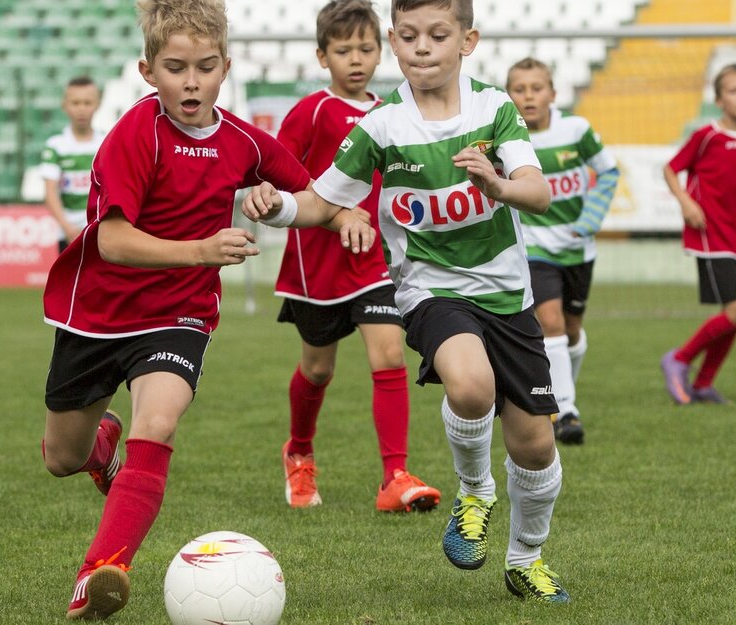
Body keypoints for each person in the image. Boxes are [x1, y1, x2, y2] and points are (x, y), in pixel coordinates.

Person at [39, 0, 373, 619]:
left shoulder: (243, 140)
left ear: (226, 68)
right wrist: (200, 249)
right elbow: (111, 241)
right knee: (61, 457)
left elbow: (310, 192)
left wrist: (337, 211)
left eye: (205, 67)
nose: (190, 82)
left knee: (159, 422)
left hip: (180, 312)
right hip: (98, 313)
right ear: (148, 72)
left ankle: (101, 571)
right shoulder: (136, 134)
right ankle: (102, 443)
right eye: (175, 68)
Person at [244, 0, 570, 604]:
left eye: (438, 35)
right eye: (410, 35)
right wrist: (278, 208)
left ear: (467, 41)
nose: (423, 47)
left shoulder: (494, 107)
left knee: (535, 444)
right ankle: (475, 493)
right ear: (394, 41)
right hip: (430, 290)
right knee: (470, 384)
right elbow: (320, 201)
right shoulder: (382, 125)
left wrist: (498, 185)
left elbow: (539, 192)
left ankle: (526, 558)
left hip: (507, 296)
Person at [272, 0, 441, 513]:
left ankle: (395, 476)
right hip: (315, 267)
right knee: (318, 369)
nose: (356, 59)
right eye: (343, 50)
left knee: (389, 354)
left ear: (381, 49)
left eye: (366, 48)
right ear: (323, 57)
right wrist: (331, 213)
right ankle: (299, 453)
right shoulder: (311, 111)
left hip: (375, 261)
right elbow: (279, 170)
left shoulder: (392, 112)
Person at [506, 57, 619, 445]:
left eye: (536, 88)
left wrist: (590, 220)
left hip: (578, 250)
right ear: (509, 96)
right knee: (550, 322)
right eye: (519, 90)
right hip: (535, 249)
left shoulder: (576, 129)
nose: (528, 96)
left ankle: (566, 390)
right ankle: (564, 411)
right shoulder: (509, 138)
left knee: (571, 331)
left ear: (553, 94)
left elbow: (609, 172)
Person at [660, 63, 736, 405]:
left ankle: (704, 383)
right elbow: (670, 169)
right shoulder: (706, 135)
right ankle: (679, 359)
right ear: (719, 100)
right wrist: (685, 203)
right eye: (734, 91)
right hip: (710, 236)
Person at [39, 76, 105, 252]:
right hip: (67, 234)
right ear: (65, 105)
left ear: (97, 104)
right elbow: (50, 192)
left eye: (87, 102)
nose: (81, 109)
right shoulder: (56, 146)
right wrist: (67, 227)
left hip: (100, 232)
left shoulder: (106, 143)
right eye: (75, 103)